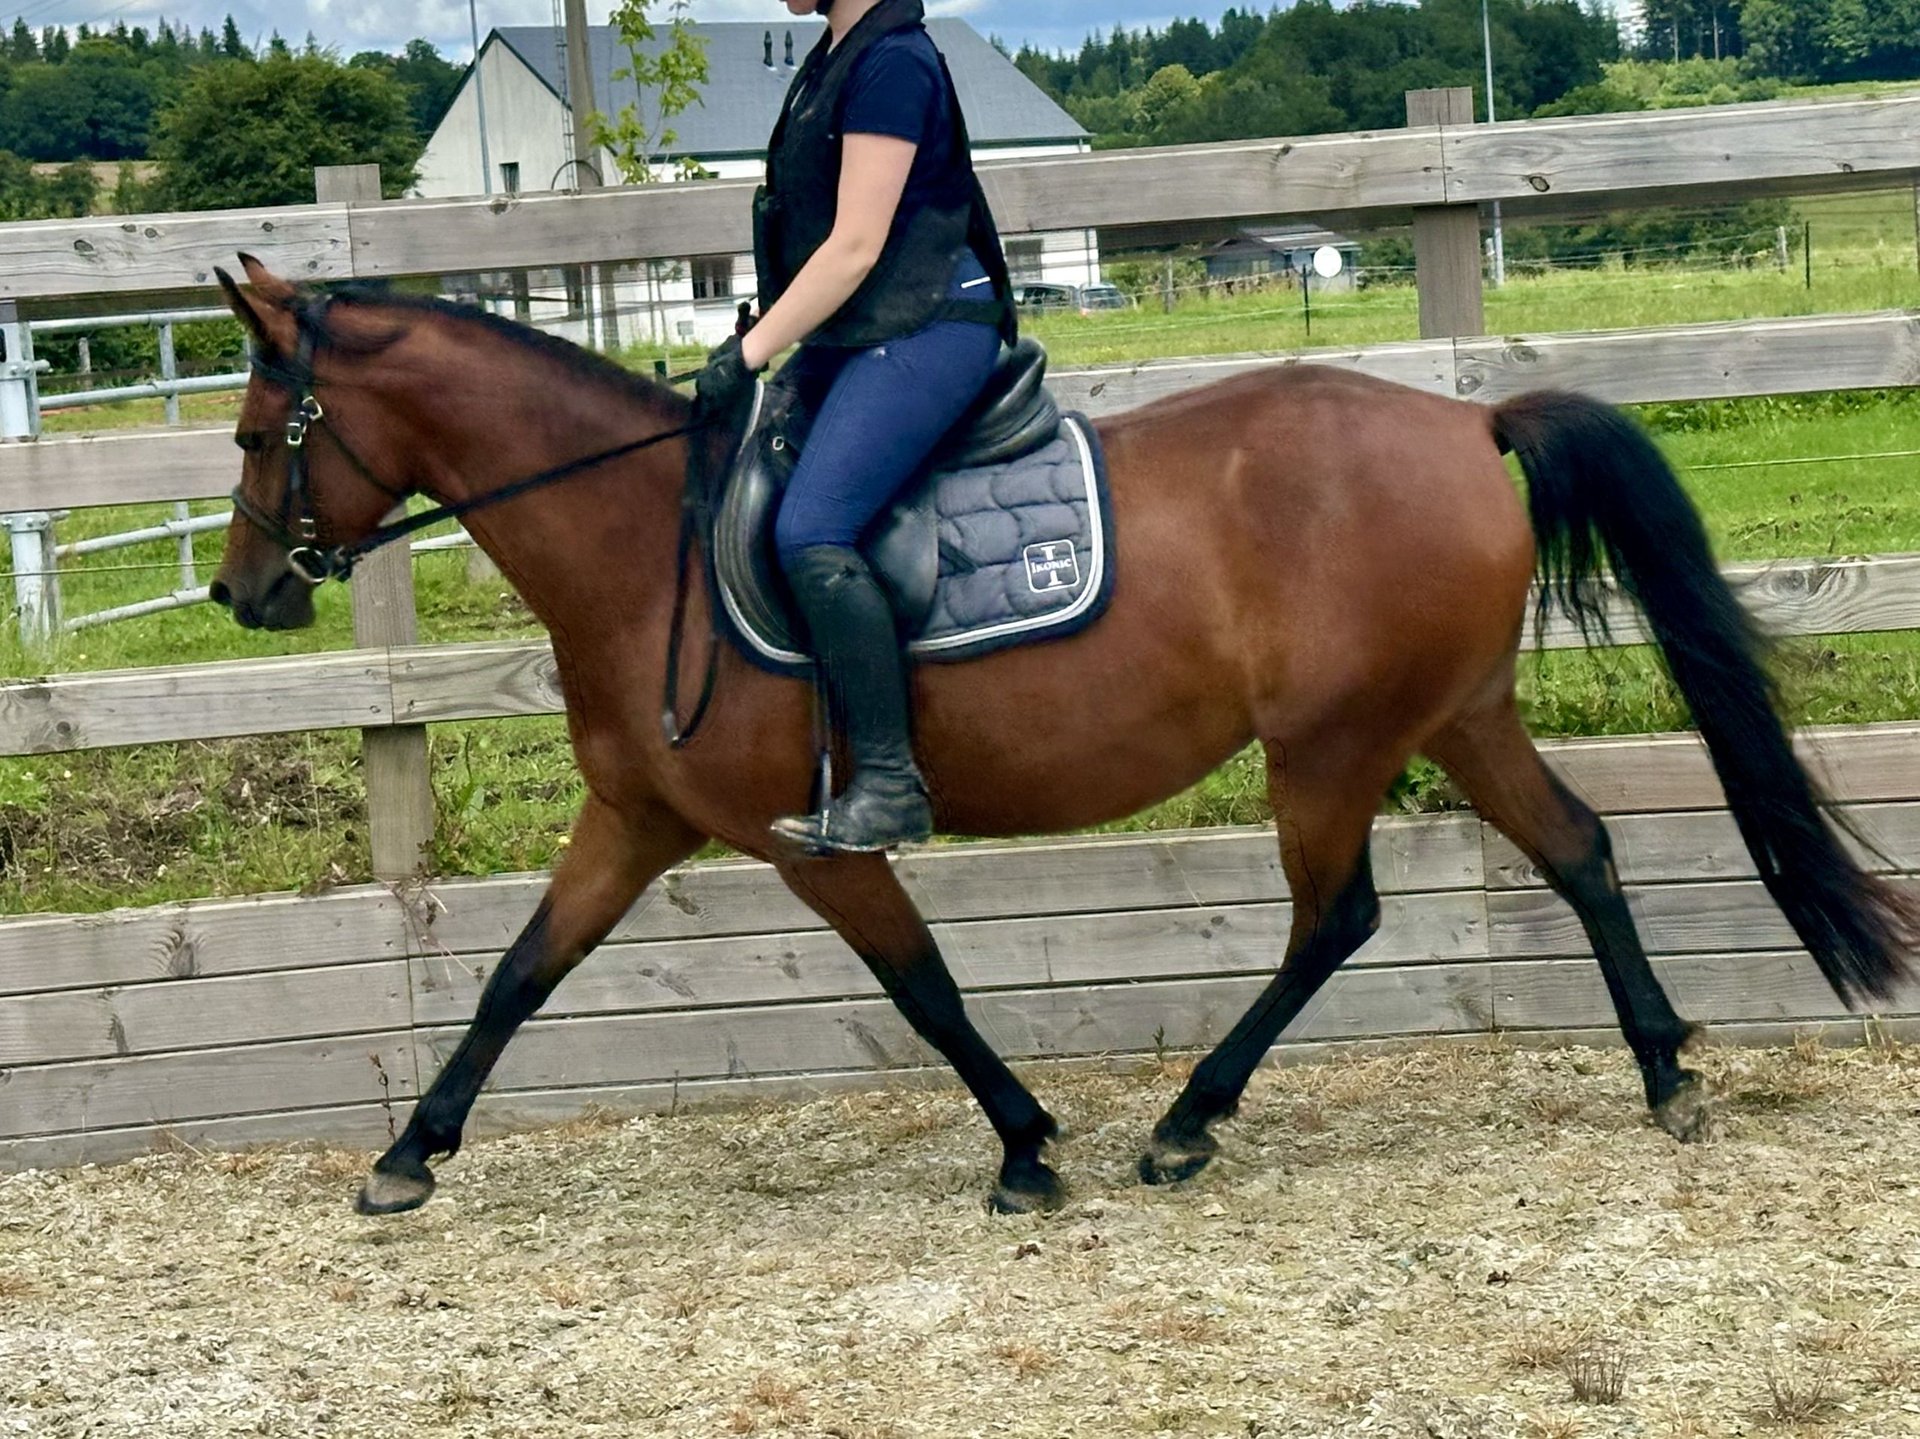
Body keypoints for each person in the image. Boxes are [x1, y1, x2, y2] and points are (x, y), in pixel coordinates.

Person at [695, 0, 1017, 853]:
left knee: (813, 527)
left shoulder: (894, 64)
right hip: (866, 329)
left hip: (932, 325)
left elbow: (855, 245)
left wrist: (752, 349)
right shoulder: (833, 57)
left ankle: (888, 782)